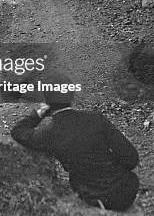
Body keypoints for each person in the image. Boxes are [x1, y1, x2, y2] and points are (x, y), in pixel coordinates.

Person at [11, 73, 139, 211]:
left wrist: (38, 114)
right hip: (125, 192)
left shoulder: (49, 133)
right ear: (72, 95)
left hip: (91, 196)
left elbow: (18, 131)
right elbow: (131, 158)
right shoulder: (96, 119)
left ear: (47, 102)